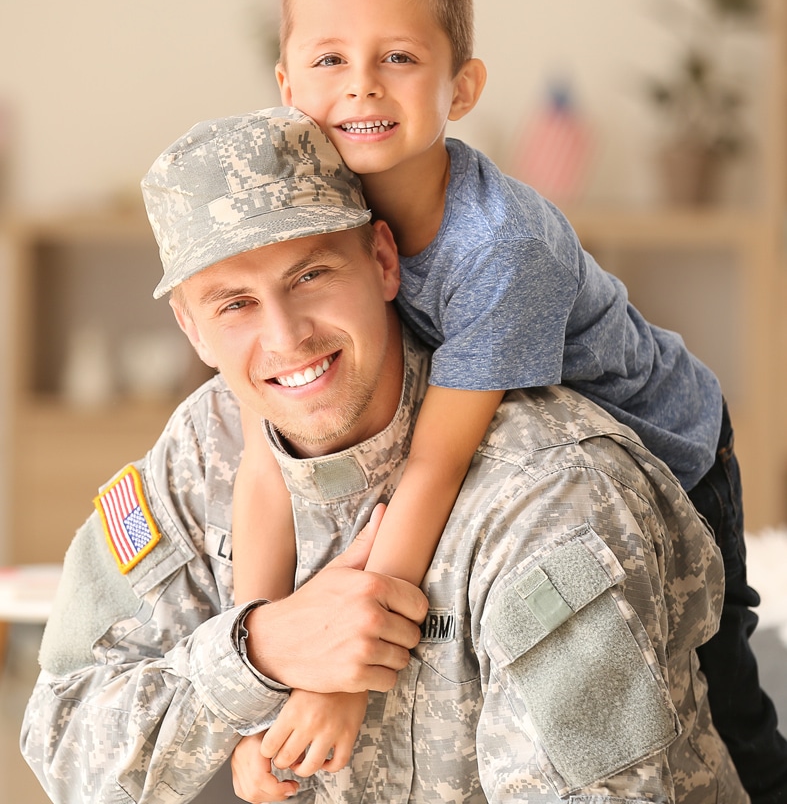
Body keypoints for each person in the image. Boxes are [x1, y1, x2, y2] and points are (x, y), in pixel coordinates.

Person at [21, 107, 746, 803]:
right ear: (192, 330)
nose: (285, 336)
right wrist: (259, 650)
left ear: (382, 260)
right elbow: (64, 748)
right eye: (234, 304)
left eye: (309, 276)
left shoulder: (547, 488)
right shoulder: (197, 450)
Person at [231, 0, 787, 802]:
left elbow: (438, 461)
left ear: (462, 87)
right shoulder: (310, 204)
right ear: (286, 82)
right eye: (330, 59)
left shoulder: (500, 248)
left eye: (399, 58)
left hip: (664, 442)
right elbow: (266, 448)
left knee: (712, 675)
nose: (361, 85)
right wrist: (266, 684)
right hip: (509, 438)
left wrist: (337, 678)